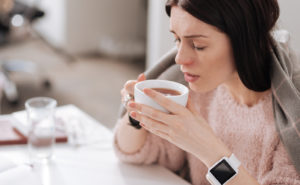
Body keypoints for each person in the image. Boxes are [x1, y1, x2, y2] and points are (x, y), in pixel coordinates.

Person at [113, 0, 300, 184]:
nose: (179, 58)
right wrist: (136, 114)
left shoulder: (290, 115)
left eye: (197, 45)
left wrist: (207, 149)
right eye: (177, 39)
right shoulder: (198, 89)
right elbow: (132, 152)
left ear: (244, 41)